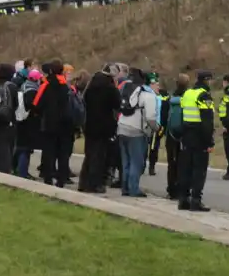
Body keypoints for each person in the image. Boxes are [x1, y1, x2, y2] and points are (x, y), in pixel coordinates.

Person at [78, 65, 122, 193]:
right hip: (104, 126)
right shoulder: (110, 88)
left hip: (89, 124)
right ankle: (94, 184)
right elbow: (117, 104)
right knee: (99, 156)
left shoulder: (90, 86)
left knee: (89, 154)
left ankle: (84, 182)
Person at [116, 69, 158, 197]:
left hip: (121, 128)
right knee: (136, 161)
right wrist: (156, 128)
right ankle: (133, 188)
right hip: (136, 131)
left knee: (126, 161)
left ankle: (125, 188)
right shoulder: (147, 95)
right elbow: (151, 117)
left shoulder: (125, 91)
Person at [178, 70, 215, 212]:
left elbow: (182, 115)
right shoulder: (203, 95)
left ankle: (183, 199)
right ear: (206, 80)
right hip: (199, 136)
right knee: (199, 170)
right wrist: (209, 141)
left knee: (186, 169)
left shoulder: (187, 93)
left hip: (186, 134)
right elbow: (207, 121)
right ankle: (195, 200)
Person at [161, 73, 189, 199]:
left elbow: (163, 118)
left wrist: (164, 131)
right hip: (183, 135)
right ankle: (182, 189)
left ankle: (171, 189)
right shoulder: (188, 99)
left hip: (171, 135)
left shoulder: (169, 99)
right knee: (183, 163)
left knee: (171, 163)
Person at [13, 68, 44, 179]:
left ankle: (16, 168)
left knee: (20, 147)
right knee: (25, 149)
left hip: (20, 120)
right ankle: (23, 172)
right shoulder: (33, 91)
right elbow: (34, 107)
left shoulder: (23, 86)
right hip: (28, 123)